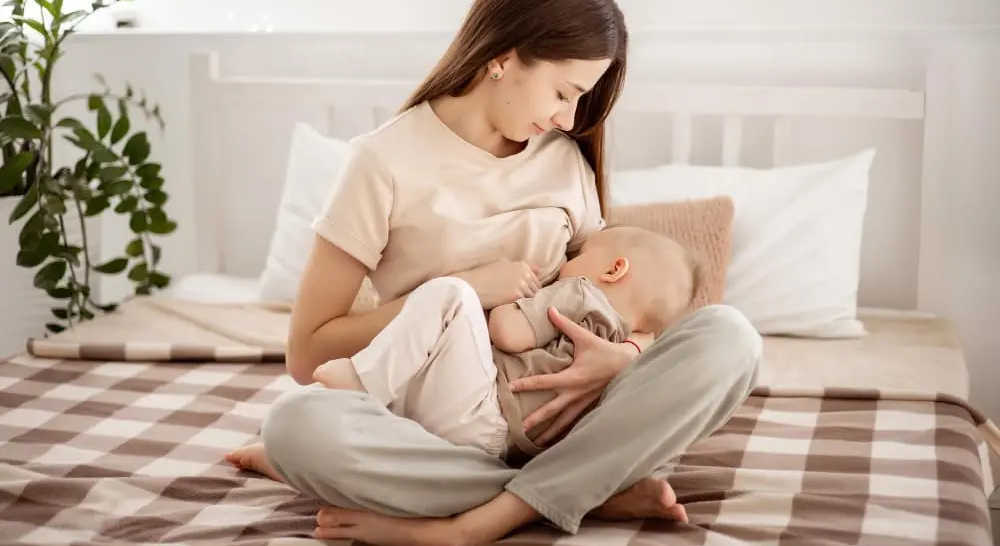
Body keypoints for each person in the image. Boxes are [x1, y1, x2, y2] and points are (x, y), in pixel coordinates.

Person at [226, 0, 762, 546]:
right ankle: (574, 493)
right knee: (297, 426)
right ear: (503, 58)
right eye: (564, 91)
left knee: (731, 338)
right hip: (437, 432)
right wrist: (467, 289)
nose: (570, 116)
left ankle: (483, 513)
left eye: (582, 98)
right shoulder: (381, 163)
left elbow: (611, 300)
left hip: (561, 422)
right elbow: (308, 353)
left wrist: (630, 355)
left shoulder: (563, 158)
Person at [229, 224, 701, 478]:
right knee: (392, 420)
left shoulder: (581, 294)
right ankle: (285, 459)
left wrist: (512, 298)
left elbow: (510, 334)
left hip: (485, 410)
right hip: (499, 449)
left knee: (451, 296)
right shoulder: (627, 355)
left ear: (614, 269)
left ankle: (358, 383)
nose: (567, 262)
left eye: (578, 254)